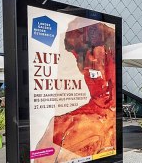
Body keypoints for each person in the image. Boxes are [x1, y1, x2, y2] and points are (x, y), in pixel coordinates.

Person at [34, 22, 116, 162]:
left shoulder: (114, 120)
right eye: (93, 74)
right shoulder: (61, 126)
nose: (105, 82)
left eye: (108, 65)